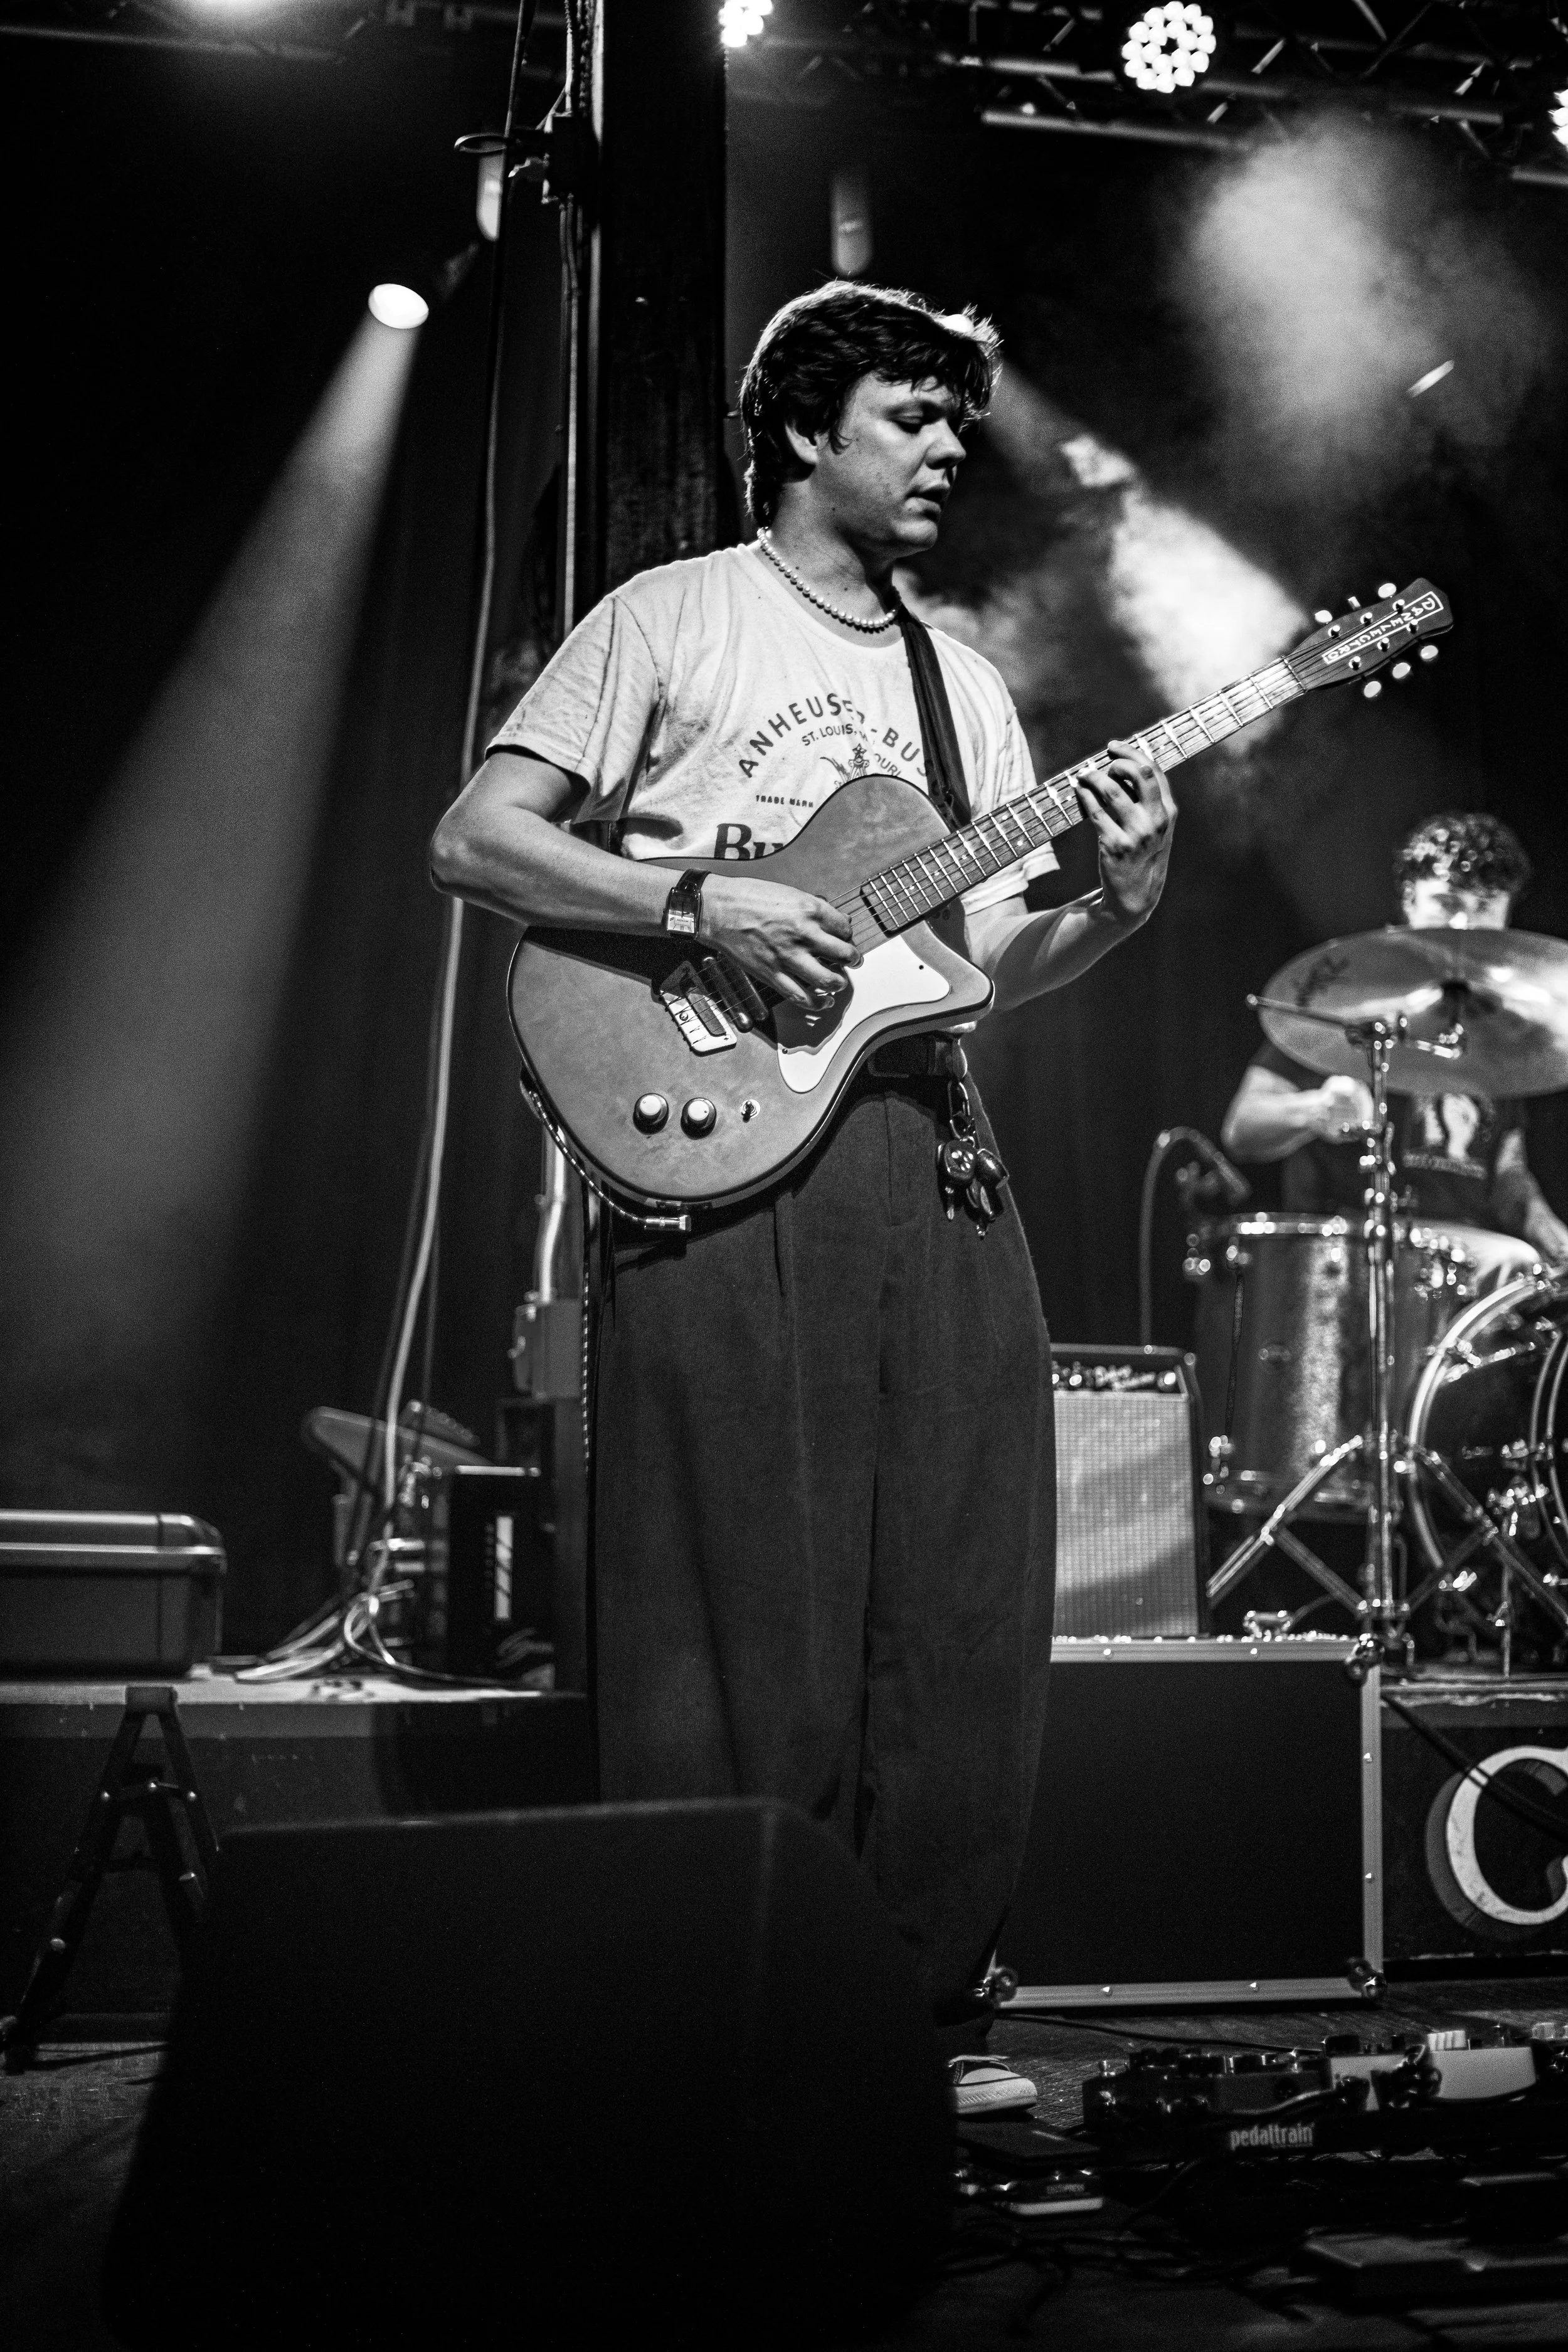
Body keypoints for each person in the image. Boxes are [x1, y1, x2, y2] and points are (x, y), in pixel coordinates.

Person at [430, 282, 1175, 2033]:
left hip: (928, 1160)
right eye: (907, 415)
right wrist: (703, 898)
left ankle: (906, 2014)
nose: (941, 450)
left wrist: (1117, 908)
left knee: (963, 1599)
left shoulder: (960, 683)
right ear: (797, 430)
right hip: (725, 1155)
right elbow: (479, 838)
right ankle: (726, 2011)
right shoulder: (673, 615)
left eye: (950, 422)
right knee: (736, 1609)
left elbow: (969, 978)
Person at [1221, 813, 1568, 1268]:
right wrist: (1314, 1110)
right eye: (1446, 902)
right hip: (1352, 1252)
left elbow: (1508, 1175)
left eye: (1484, 906)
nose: (1463, 923)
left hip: (1465, 1258)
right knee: (1512, 1263)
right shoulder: (1350, 1002)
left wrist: (1554, 1235)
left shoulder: (1509, 1029)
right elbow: (1241, 1129)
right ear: (1409, 901)